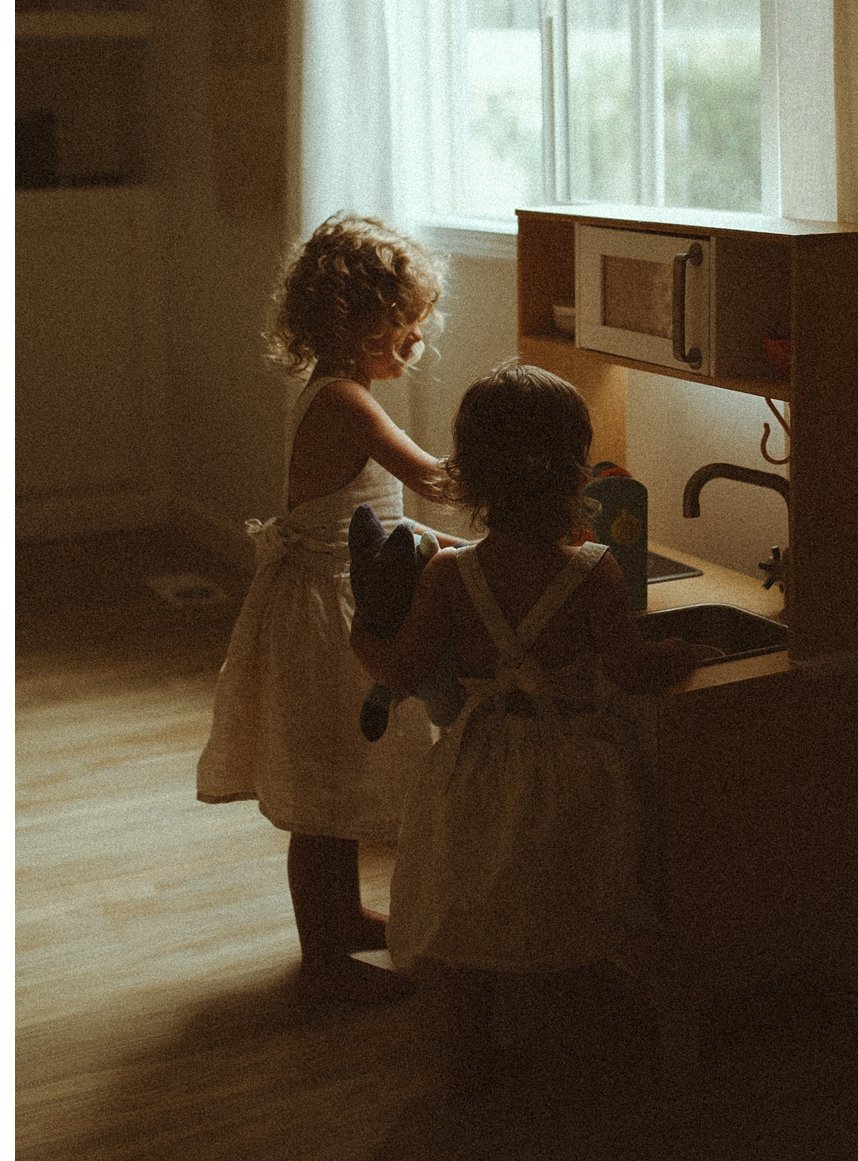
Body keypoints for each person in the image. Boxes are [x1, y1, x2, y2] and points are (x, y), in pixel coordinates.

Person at [350, 359, 719, 1074]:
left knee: (468, 906)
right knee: (605, 896)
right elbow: (627, 669)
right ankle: (675, 1023)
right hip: (577, 768)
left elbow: (397, 672)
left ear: (472, 473)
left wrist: (358, 635)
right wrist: (679, 652)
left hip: (480, 767)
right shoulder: (594, 570)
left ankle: (466, 1056)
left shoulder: (451, 575)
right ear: (575, 468)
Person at [196, 213, 462, 1005]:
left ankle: (342, 919)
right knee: (322, 793)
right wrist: (512, 450)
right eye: (404, 327)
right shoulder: (347, 401)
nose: (415, 342)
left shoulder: (332, 385)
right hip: (324, 613)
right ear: (360, 324)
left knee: (340, 777)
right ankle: (323, 962)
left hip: (327, 594)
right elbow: (435, 480)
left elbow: (373, 510)